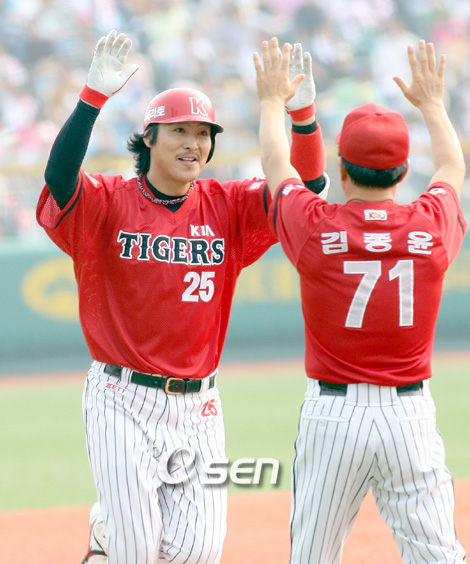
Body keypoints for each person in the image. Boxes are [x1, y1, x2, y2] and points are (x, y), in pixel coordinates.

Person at [36, 31, 328, 564]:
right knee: (137, 552)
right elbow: (59, 180)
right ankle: (110, 532)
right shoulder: (108, 200)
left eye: (203, 132)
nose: (194, 142)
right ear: (149, 138)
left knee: (198, 551)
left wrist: (303, 117)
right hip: (121, 397)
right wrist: (91, 99)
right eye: (179, 131)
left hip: (200, 406)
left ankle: (109, 535)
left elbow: (305, 190)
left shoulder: (228, 205)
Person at [254, 37, 467, 563]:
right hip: (408, 414)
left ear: (343, 170)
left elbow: (276, 162)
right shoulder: (430, 226)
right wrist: (432, 104)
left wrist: (272, 101)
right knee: (439, 555)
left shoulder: (315, 226)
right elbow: (451, 167)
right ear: (403, 170)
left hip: (333, 415)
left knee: (312, 556)